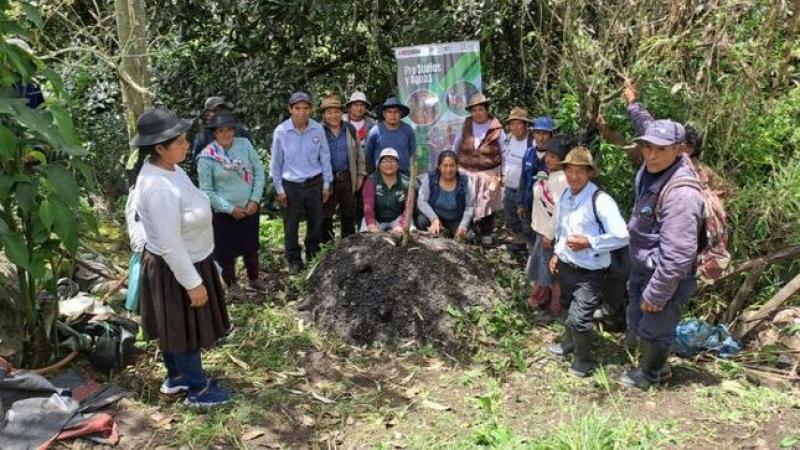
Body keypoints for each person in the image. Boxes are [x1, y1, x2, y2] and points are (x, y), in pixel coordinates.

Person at [131, 108, 231, 408]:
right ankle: (198, 389)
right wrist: (193, 283)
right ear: (159, 148)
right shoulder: (157, 187)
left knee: (174, 324)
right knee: (183, 327)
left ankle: (176, 376)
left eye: (186, 139)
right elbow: (170, 243)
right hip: (176, 265)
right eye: (180, 142)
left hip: (191, 257)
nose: (187, 145)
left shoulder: (173, 169)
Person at [619, 120, 705, 389]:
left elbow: (678, 254)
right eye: (647, 147)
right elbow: (646, 123)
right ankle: (654, 364)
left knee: (657, 326)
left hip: (665, 274)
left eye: (661, 149)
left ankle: (651, 373)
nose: (652, 155)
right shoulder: (653, 170)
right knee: (638, 318)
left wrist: (657, 292)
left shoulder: (682, 194)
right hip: (644, 264)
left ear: (680, 149)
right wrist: (633, 105)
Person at [546, 147, 629, 378]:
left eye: (580, 171)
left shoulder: (601, 200)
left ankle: (583, 360)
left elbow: (622, 235)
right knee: (566, 305)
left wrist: (590, 242)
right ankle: (567, 344)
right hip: (566, 266)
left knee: (580, 318)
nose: (574, 176)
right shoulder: (565, 195)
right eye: (570, 170)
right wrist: (556, 253)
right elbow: (563, 229)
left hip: (590, 272)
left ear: (589, 173)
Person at [196, 111, 266, 294]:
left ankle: (254, 279)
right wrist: (229, 208)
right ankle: (232, 284)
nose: (226, 134)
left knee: (251, 246)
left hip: (249, 208)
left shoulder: (245, 145)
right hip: (224, 213)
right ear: (214, 133)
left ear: (234, 131)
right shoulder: (206, 157)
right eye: (220, 131)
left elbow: (259, 171)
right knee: (226, 251)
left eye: (229, 130)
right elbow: (207, 190)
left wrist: (254, 200)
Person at [270, 91, 332, 275]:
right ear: (290, 109)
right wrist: (279, 188)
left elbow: (325, 157)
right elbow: (276, 163)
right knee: (291, 225)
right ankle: (294, 260)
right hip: (291, 185)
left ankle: (313, 255)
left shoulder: (317, 129)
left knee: (315, 222)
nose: (302, 112)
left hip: (315, 183)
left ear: (311, 110)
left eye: (306, 108)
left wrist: (327, 184)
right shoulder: (282, 131)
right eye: (297, 108)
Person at [526, 135, 573, 315]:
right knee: (545, 266)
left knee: (550, 268)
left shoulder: (562, 180)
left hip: (549, 232)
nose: (549, 159)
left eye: (554, 157)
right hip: (541, 228)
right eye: (548, 155)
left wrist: (549, 234)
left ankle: (549, 300)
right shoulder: (549, 175)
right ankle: (547, 298)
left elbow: (559, 210)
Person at [453, 93, 506, 246]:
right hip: (466, 171)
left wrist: (503, 174)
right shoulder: (466, 125)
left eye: (480, 109)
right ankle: (469, 230)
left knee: (487, 203)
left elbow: (504, 152)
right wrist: (452, 163)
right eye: (474, 110)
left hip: (489, 173)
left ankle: (486, 233)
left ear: (487, 110)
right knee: (467, 202)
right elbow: (456, 145)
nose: (477, 113)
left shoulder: (496, 129)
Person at [319, 93, 366, 243]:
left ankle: (348, 245)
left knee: (349, 212)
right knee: (325, 214)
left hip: (347, 176)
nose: (333, 115)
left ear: (341, 112)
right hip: (326, 178)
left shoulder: (350, 130)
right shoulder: (318, 131)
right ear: (324, 114)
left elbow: (359, 154)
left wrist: (360, 175)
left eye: (336, 111)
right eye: (329, 112)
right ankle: (327, 246)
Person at [515, 116, 556, 248]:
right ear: (533, 134)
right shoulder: (528, 154)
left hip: (547, 208)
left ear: (551, 135)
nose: (541, 137)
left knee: (545, 237)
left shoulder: (554, 157)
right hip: (528, 204)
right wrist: (520, 203)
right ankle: (531, 259)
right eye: (538, 133)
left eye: (544, 134)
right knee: (529, 234)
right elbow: (523, 179)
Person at [416, 150, 475, 239]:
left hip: (456, 219)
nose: (448, 169)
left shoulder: (465, 182)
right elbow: (421, 200)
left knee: (466, 237)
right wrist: (434, 218)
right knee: (422, 221)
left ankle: (448, 233)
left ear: (457, 166)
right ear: (439, 167)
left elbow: (469, 206)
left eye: (452, 165)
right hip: (436, 216)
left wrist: (462, 226)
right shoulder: (431, 179)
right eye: (445, 165)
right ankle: (439, 233)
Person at [502, 107, 534, 251]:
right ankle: (520, 239)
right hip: (509, 186)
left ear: (526, 125)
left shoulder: (532, 142)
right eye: (512, 124)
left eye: (518, 123)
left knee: (526, 218)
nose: (515, 127)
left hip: (525, 189)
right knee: (511, 217)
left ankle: (530, 245)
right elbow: (503, 159)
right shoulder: (508, 139)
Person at [361, 148, 409, 233]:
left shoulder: (406, 182)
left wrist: (401, 225)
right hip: (376, 219)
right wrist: (371, 224)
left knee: (410, 232)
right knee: (365, 235)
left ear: (398, 165)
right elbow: (368, 207)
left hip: (397, 219)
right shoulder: (371, 181)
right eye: (385, 161)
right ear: (379, 165)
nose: (389, 164)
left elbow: (408, 208)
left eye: (393, 161)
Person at [191, 96, 253, 161]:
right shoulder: (204, 134)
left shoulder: (238, 129)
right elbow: (196, 158)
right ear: (207, 114)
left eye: (221, 110)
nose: (219, 113)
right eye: (214, 111)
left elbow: (251, 153)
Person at [365, 97, 416, 174]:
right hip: (381, 175)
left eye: (396, 112)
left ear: (400, 113)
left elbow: (413, 153)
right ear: (384, 114)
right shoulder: (375, 131)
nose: (393, 115)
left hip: (403, 174)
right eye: (389, 112)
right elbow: (368, 156)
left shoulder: (408, 130)